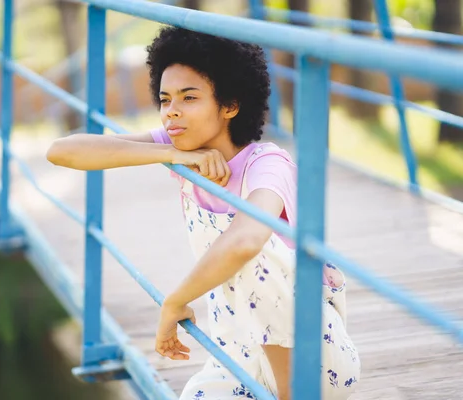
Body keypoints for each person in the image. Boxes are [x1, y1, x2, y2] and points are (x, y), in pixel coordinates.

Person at [46, 26, 360, 400]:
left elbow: (245, 241)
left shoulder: (267, 163)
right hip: (237, 357)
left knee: (258, 256)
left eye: (188, 97)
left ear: (229, 105)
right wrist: (172, 154)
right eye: (164, 100)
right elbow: (63, 151)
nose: (171, 112)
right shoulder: (180, 146)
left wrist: (175, 301)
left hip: (311, 361)